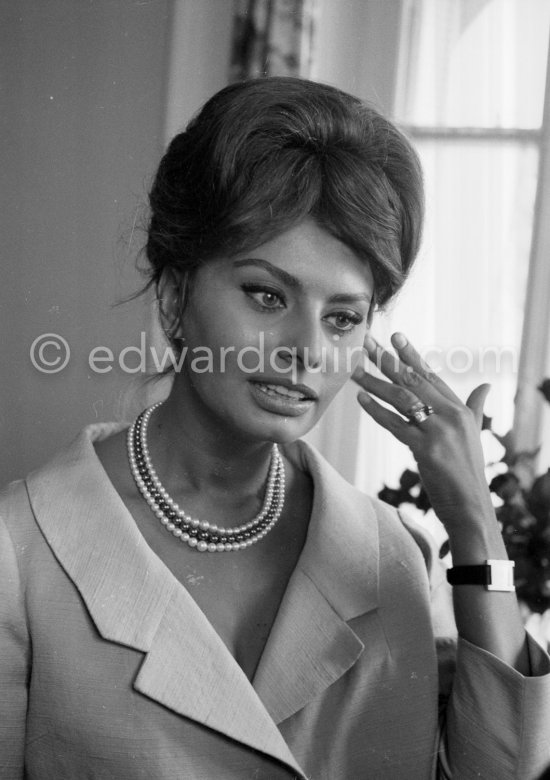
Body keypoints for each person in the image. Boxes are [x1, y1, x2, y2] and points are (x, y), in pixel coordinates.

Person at [1, 76, 549, 780]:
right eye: (266, 294)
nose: (308, 348)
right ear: (174, 298)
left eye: (343, 317)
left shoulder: (389, 556)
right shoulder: (23, 548)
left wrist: (477, 525)